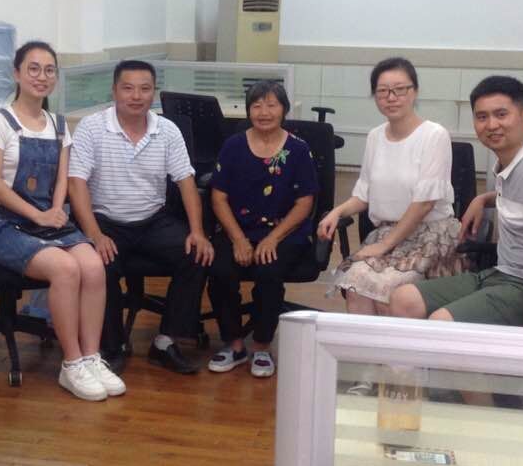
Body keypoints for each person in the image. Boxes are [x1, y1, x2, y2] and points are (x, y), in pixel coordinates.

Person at [0, 40, 124, 402]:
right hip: (5, 223)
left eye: (49, 70)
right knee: (65, 269)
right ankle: (71, 363)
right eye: (33, 68)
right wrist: (39, 215)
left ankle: (91, 357)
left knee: (93, 266)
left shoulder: (58, 125)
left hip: (49, 218)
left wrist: (57, 210)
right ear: (16, 73)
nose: (41, 77)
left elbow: (63, 178)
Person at [389, 75, 523, 328]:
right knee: (403, 299)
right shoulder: (511, 163)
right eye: (482, 117)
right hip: (502, 274)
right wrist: (483, 199)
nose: (492, 125)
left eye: (501, 114)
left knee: (442, 323)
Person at [68, 59, 214, 375]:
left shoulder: (167, 130)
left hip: (153, 220)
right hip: (105, 220)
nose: (136, 96)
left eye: (145, 89)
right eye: (128, 88)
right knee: (98, 266)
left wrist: (197, 231)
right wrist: (94, 234)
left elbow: (186, 182)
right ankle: (113, 345)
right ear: (114, 91)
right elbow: (76, 184)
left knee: (197, 253)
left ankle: (165, 341)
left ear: (154, 92)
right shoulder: (92, 128)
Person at [318, 57, 464, 316]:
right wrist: (336, 212)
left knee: (388, 292)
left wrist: (385, 246)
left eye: (400, 89)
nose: (391, 97)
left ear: (414, 91)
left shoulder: (434, 135)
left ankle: (395, 346)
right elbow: (363, 195)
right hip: (388, 236)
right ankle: (363, 345)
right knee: (356, 287)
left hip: (430, 237)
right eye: (383, 91)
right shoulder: (375, 136)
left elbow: (424, 204)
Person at [206, 80, 318, 378]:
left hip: (284, 231)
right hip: (238, 229)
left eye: (271, 105)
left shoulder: (298, 150)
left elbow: (305, 202)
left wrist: (273, 238)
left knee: (269, 271)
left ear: (284, 109)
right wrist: (238, 239)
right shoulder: (233, 146)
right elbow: (218, 198)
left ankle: (261, 345)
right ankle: (234, 344)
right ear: (248, 111)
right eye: (257, 106)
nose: (264, 112)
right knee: (220, 270)